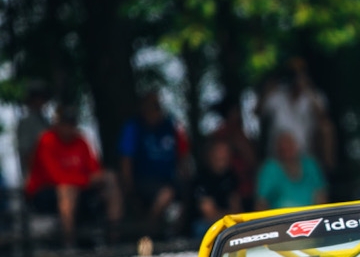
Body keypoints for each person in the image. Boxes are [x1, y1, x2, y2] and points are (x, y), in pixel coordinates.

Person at [25, 105, 122, 248]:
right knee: (66, 191)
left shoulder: (80, 141)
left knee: (110, 179)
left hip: (80, 189)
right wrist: (86, 180)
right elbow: (55, 177)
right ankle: (70, 245)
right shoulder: (46, 141)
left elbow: (95, 170)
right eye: (64, 123)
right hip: (46, 194)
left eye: (71, 123)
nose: (68, 127)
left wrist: (91, 179)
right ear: (57, 124)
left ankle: (114, 238)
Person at [119, 92, 191, 238]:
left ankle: (179, 233)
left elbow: (183, 156)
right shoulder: (134, 127)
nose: (155, 111)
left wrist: (186, 178)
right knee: (166, 194)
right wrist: (128, 187)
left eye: (157, 106)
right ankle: (149, 230)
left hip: (169, 178)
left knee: (189, 192)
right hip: (144, 180)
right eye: (151, 106)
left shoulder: (171, 126)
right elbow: (126, 159)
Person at [258, 59, 336, 173]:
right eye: (293, 73)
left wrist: (307, 89)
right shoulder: (276, 96)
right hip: (279, 152)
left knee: (327, 127)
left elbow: (323, 117)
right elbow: (258, 113)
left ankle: (328, 170)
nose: (296, 78)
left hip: (305, 151)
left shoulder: (313, 96)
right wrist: (268, 87)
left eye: (300, 72)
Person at [256, 130, 327, 209]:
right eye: (282, 146)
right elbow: (261, 202)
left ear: (297, 145)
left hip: (310, 217)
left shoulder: (310, 165)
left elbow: (321, 195)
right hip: (281, 219)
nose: (286, 148)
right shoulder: (270, 169)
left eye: (289, 144)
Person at [210, 95, 258, 209]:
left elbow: (251, 160)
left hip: (244, 188)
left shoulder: (237, 133)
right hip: (228, 187)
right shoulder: (224, 134)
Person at [191, 140, 242, 239]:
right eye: (219, 152)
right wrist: (229, 216)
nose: (222, 156)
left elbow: (237, 210)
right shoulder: (201, 178)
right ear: (210, 154)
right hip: (203, 226)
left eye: (225, 152)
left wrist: (230, 216)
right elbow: (209, 214)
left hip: (226, 223)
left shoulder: (231, 177)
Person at [16, 83, 50, 181]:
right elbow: (25, 152)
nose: (40, 101)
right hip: (35, 177)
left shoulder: (45, 122)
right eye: (37, 98)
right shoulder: (26, 123)